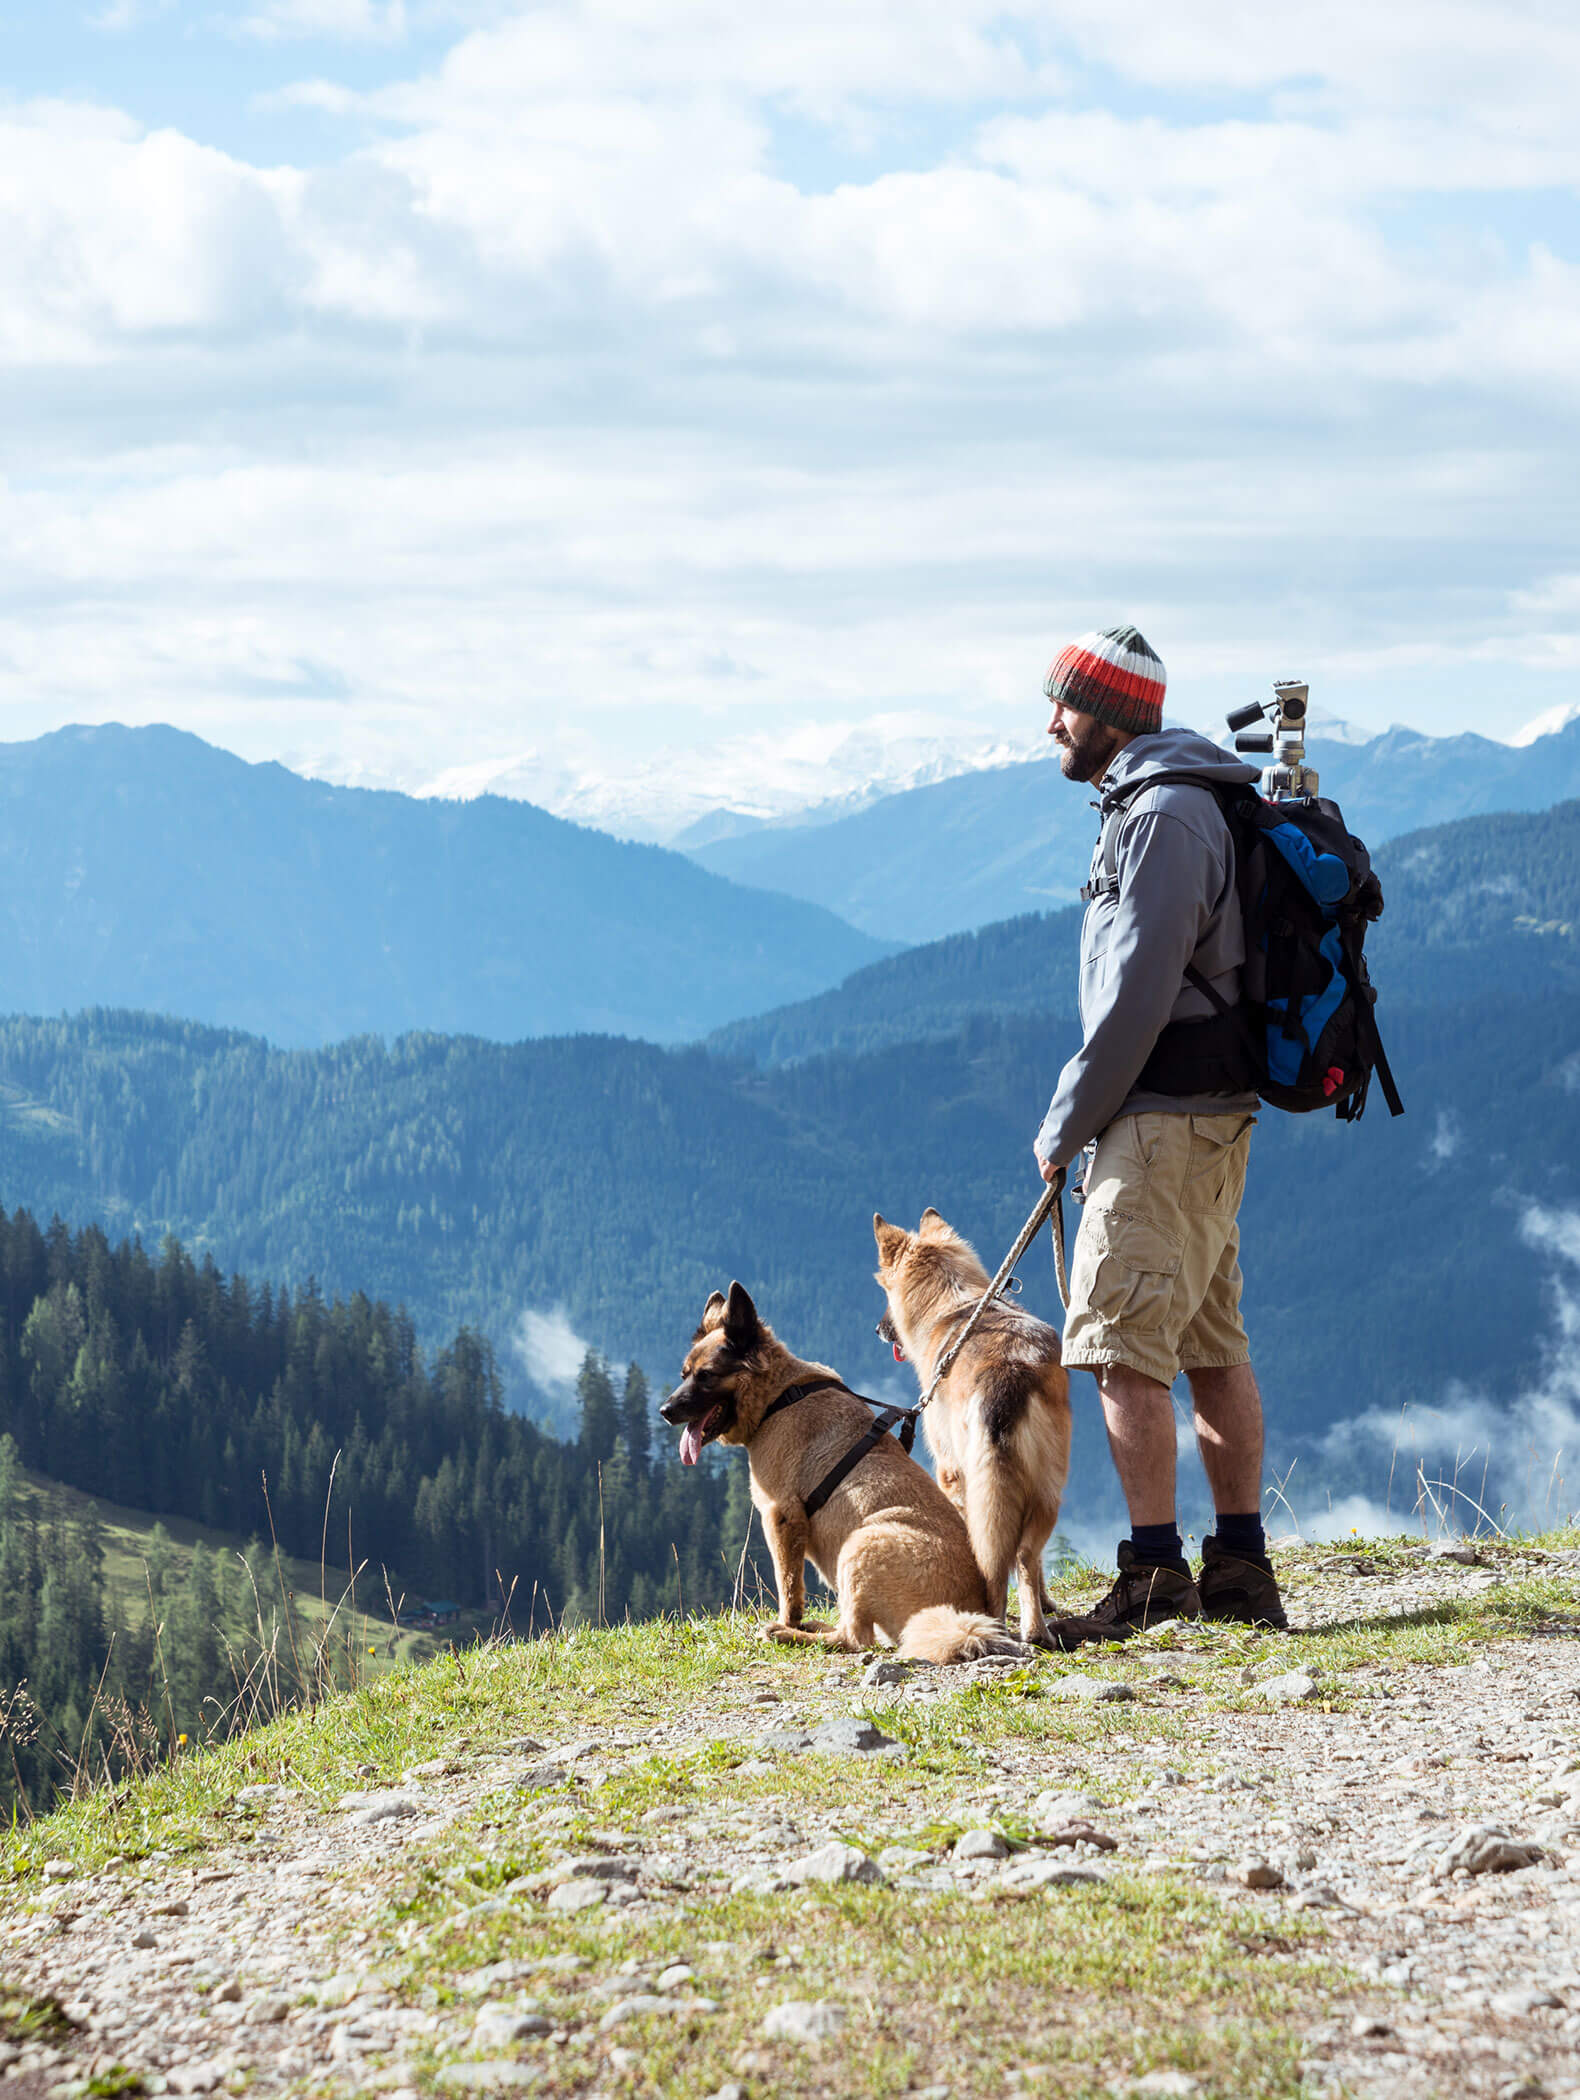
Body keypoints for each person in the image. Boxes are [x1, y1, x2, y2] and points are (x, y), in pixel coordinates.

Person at [1031, 623, 1287, 1640]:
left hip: (1157, 1123)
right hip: (1202, 1119)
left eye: (1063, 704)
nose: (1050, 722)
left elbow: (1135, 997)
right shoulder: (1181, 800)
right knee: (1205, 1338)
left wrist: (1063, 1125)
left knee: (1121, 1349)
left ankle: (1153, 1578)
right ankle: (1237, 1571)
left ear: (1112, 713)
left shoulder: (1162, 818)